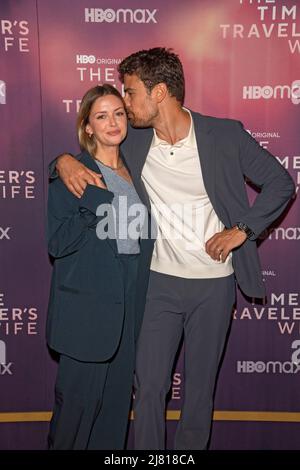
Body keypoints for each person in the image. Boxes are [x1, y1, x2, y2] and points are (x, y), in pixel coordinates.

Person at [50, 48, 295, 450]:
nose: (124, 106)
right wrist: (60, 161)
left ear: (159, 92)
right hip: (157, 284)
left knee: (199, 394)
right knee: (148, 390)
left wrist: (243, 230)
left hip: (213, 286)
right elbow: (87, 155)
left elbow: (282, 183)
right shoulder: (135, 142)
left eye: (130, 94)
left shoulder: (223, 135)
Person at [46, 84, 148, 450]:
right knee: (74, 419)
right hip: (86, 316)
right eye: (101, 116)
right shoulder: (72, 173)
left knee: (114, 420)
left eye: (119, 113)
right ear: (87, 126)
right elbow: (57, 244)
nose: (112, 122)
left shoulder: (137, 167)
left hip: (128, 315)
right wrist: (94, 200)